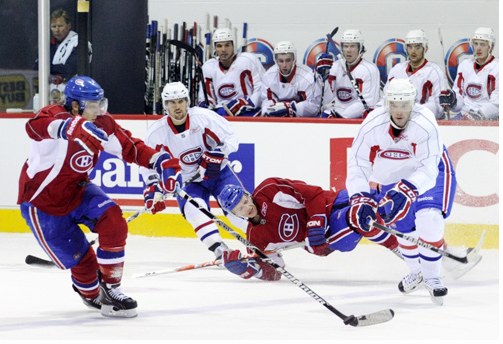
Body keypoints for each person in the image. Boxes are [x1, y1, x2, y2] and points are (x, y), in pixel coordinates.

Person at [17, 76, 180, 318]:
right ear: (75, 105)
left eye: (100, 104)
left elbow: (130, 147)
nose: (99, 110)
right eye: (93, 105)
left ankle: (112, 289)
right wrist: (68, 128)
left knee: (113, 220)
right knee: (84, 266)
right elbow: (34, 127)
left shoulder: (101, 123)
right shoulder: (53, 115)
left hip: (79, 190)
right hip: (42, 205)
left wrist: (159, 160)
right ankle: (92, 294)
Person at [346, 78, 457, 306]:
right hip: (392, 175)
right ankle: (417, 272)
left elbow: (428, 167)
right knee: (401, 228)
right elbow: (358, 164)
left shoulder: (425, 121)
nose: (399, 111)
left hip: (431, 172)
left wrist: (408, 189)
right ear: (386, 103)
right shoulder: (372, 124)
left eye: (404, 104)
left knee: (429, 218)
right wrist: (359, 197)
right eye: (394, 105)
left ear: (413, 103)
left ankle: (432, 276)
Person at [216, 178, 401, 281]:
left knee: (389, 203)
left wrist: (315, 221)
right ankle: (403, 251)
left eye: (245, 200)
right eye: (240, 208)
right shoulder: (255, 240)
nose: (247, 207)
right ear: (234, 214)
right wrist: (248, 270)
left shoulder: (268, 190)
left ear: (248, 194)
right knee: (359, 218)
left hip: (332, 203)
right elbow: (274, 272)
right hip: (327, 237)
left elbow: (312, 193)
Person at [140, 81, 247, 259]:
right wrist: (153, 188)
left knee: (237, 205)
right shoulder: (156, 132)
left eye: (181, 101)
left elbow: (230, 137)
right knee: (194, 209)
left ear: (187, 101)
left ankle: (260, 240)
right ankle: (221, 251)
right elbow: (146, 162)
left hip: (218, 173)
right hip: (187, 180)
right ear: (165, 105)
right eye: (172, 102)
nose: (177, 106)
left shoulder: (204, 117)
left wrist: (219, 152)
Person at [380, 29, 446, 119]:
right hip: (399, 120)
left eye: (417, 47)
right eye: (410, 47)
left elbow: (437, 107)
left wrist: (410, 112)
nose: (413, 51)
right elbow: (386, 98)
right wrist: (377, 110)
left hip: (423, 120)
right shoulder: (397, 70)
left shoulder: (434, 71)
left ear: (425, 48)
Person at [198, 28, 265, 116]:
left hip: (248, 111)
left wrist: (246, 103)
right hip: (221, 113)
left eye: (227, 45)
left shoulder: (248, 60)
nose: (223, 50)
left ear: (233, 46)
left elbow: (262, 89)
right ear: (215, 48)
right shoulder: (208, 66)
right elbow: (206, 97)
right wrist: (208, 108)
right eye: (219, 46)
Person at [318, 29, 381, 118]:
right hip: (336, 112)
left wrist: (341, 117)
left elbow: (368, 104)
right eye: (346, 46)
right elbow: (326, 98)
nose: (348, 50)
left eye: (352, 46)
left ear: (360, 48)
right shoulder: (335, 67)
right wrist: (321, 78)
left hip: (357, 116)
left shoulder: (369, 70)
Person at [33, 9, 92, 104]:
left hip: (73, 95)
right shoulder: (48, 45)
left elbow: (69, 69)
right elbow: (37, 66)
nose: (57, 30)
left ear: (69, 26)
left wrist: (47, 67)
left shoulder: (80, 43)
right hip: (50, 95)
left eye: (60, 26)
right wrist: (54, 68)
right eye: (54, 26)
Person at [438, 27, 499, 120]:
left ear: (491, 47)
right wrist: (453, 101)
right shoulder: (465, 65)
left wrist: (480, 115)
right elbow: (460, 98)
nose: (478, 48)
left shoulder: (497, 68)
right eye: (476, 44)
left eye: (483, 44)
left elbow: (498, 103)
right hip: (464, 115)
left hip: (488, 119)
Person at [261, 41, 324, 117]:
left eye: (288, 60)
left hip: (301, 120)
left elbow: (314, 106)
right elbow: (267, 101)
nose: (284, 65)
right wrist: (267, 112)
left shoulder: (307, 76)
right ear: (276, 61)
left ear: (294, 60)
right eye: (281, 61)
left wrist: (290, 108)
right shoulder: (268, 76)